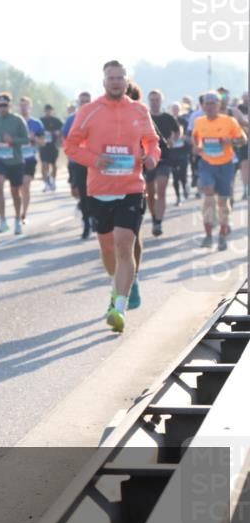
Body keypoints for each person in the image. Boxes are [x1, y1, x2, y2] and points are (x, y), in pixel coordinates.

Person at [64, 61, 160, 334]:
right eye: (111, 78)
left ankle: (119, 307)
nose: (116, 82)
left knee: (123, 246)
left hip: (131, 187)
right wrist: (95, 160)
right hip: (100, 190)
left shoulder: (139, 110)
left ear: (126, 81)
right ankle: (116, 285)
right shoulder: (89, 111)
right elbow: (70, 146)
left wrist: (151, 157)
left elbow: (152, 142)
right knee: (107, 249)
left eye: (120, 78)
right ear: (104, 81)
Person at [192, 90, 248, 251]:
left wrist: (232, 141)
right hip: (207, 164)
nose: (209, 107)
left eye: (212, 103)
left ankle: (222, 234)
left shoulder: (229, 121)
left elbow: (243, 140)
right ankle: (208, 235)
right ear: (203, 106)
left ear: (219, 105)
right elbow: (195, 136)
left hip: (225, 165)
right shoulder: (199, 122)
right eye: (207, 104)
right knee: (208, 194)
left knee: (223, 202)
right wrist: (197, 147)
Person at [0, 92, 29, 234]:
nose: (2, 108)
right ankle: (2, 221)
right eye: (0, 105)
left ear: (10, 105)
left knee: (15, 192)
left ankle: (17, 220)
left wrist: (13, 140)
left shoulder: (18, 120)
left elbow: (26, 139)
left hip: (15, 161)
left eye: (5, 105)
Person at [145, 89, 180, 237]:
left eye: (157, 100)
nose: (154, 102)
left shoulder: (168, 117)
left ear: (161, 101)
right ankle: (154, 218)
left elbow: (177, 131)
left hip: (164, 158)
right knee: (150, 193)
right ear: (149, 101)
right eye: (152, 100)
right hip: (148, 160)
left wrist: (174, 140)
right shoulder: (144, 117)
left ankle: (158, 222)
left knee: (161, 189)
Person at [64, 91, 93, 239]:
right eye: (82, 101)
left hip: (94, 162)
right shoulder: (71, 119)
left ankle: (94, 217)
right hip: (77, 162)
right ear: (78, 103)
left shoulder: (97, 116)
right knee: (81, 193)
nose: (85, 104)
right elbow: (65, 140)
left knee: (94, 192)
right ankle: (86, 221)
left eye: (87, 101)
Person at [18, 96, 45, 224]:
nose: (24, 108)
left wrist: (33, 139)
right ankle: (19, 209)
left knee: (25, 185)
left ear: (30, 107)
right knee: (18, 188)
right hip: (16, 159)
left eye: (26, 105)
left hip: (30, 158)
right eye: (21, 105)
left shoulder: (36, 124)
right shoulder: (15, 122)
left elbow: (43, 142)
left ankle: (24, 213)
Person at [169, 101, 191, 204]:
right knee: (175, 176)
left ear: (180, 110)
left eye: (177, 108)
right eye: (173, 108)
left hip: (183, 151)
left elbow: (188, 134)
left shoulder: (184, 121)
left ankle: (185, 186)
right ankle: (178, 197)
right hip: (172, 152)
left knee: (183, 174)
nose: (175, 110)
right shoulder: (168, 120)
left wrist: (184, 137)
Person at [39, 104, 63, 192]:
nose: (48, 112)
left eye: (50, 110)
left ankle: (53, 181)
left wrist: (58, 133)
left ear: (52, 111)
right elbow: (37, 132)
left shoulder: (57, 121)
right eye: (46, 110)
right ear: (44, 111)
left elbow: (63, 130)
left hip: (54, 145)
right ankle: (46, 183)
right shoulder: (41, 121)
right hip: (44, 146)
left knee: (54, 164)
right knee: (44, 164)